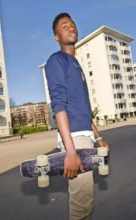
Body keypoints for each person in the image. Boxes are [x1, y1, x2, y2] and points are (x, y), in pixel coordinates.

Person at [45, 13, 110, 220]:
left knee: (85, 202)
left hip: (86, 137)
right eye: (65, 26)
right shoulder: (56, 60)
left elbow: (84, 110)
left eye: (72, 24)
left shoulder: (76, 63)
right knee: (81, 205)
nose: (71, 27)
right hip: (75, 138)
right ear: (56, 36)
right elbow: (59, 105)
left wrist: (98, 137)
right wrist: (70, 151)